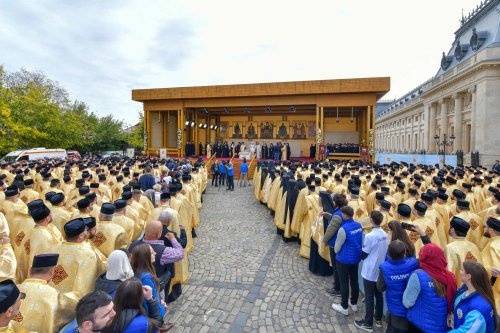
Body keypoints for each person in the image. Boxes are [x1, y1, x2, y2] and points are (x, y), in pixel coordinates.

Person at [17, 253, 78, 332]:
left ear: (30, 270)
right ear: (52, 272)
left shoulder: (14, 289)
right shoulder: (53, 295)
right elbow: (72, 306)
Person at [403, 243, 457, 333]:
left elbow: (407, 303)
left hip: (419, 326)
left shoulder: (418, 276)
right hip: (442, 327)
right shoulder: (450, 277)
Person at [354, 211, 388, 331]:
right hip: (379, 269)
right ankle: (378, 319)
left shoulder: (370, 236)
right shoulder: (385, 234)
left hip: (369, 270)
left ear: (371, 220)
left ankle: (368, 322)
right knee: (378, 295)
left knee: (369, 296)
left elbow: (364, 254)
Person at [378, 240, 419, 333]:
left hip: (394, 308)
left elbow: (380, 287)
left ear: (388, 253)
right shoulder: (413, 263)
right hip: (410, 308)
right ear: (405, 251)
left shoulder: (384, 267)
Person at [331, 206, 362, 316]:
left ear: (344, 215)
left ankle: (344, 306)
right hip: (355, 258)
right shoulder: (358, 225)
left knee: (344, 283)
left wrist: (336, 252)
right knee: (354, 281)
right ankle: (353, 303)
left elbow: (337, 247)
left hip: (343, 260)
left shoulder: (343, 229)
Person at [450, 261, 497, 333]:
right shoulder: (465, 288)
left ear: (468, 276)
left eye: (462, 270)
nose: (459, 272)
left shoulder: (478, 308)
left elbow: (466, 331)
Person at [130, 243, 167, 324]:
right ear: (145, 257)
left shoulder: (136, 272)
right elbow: (150, 300)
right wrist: (162, 309)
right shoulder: (146, 278)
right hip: (154, 317)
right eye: (152, 252)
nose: (155, 253)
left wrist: (160, 301)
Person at [323, 194, 348, 296]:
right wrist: (327, 214)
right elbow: (335, 219)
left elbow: (330, 230)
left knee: (336, 266)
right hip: (340, 243)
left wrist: (324, 241)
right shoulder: (343, 211)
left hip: (334, 244)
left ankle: (337, 288)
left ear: (336, 203)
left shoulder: (338, 214)